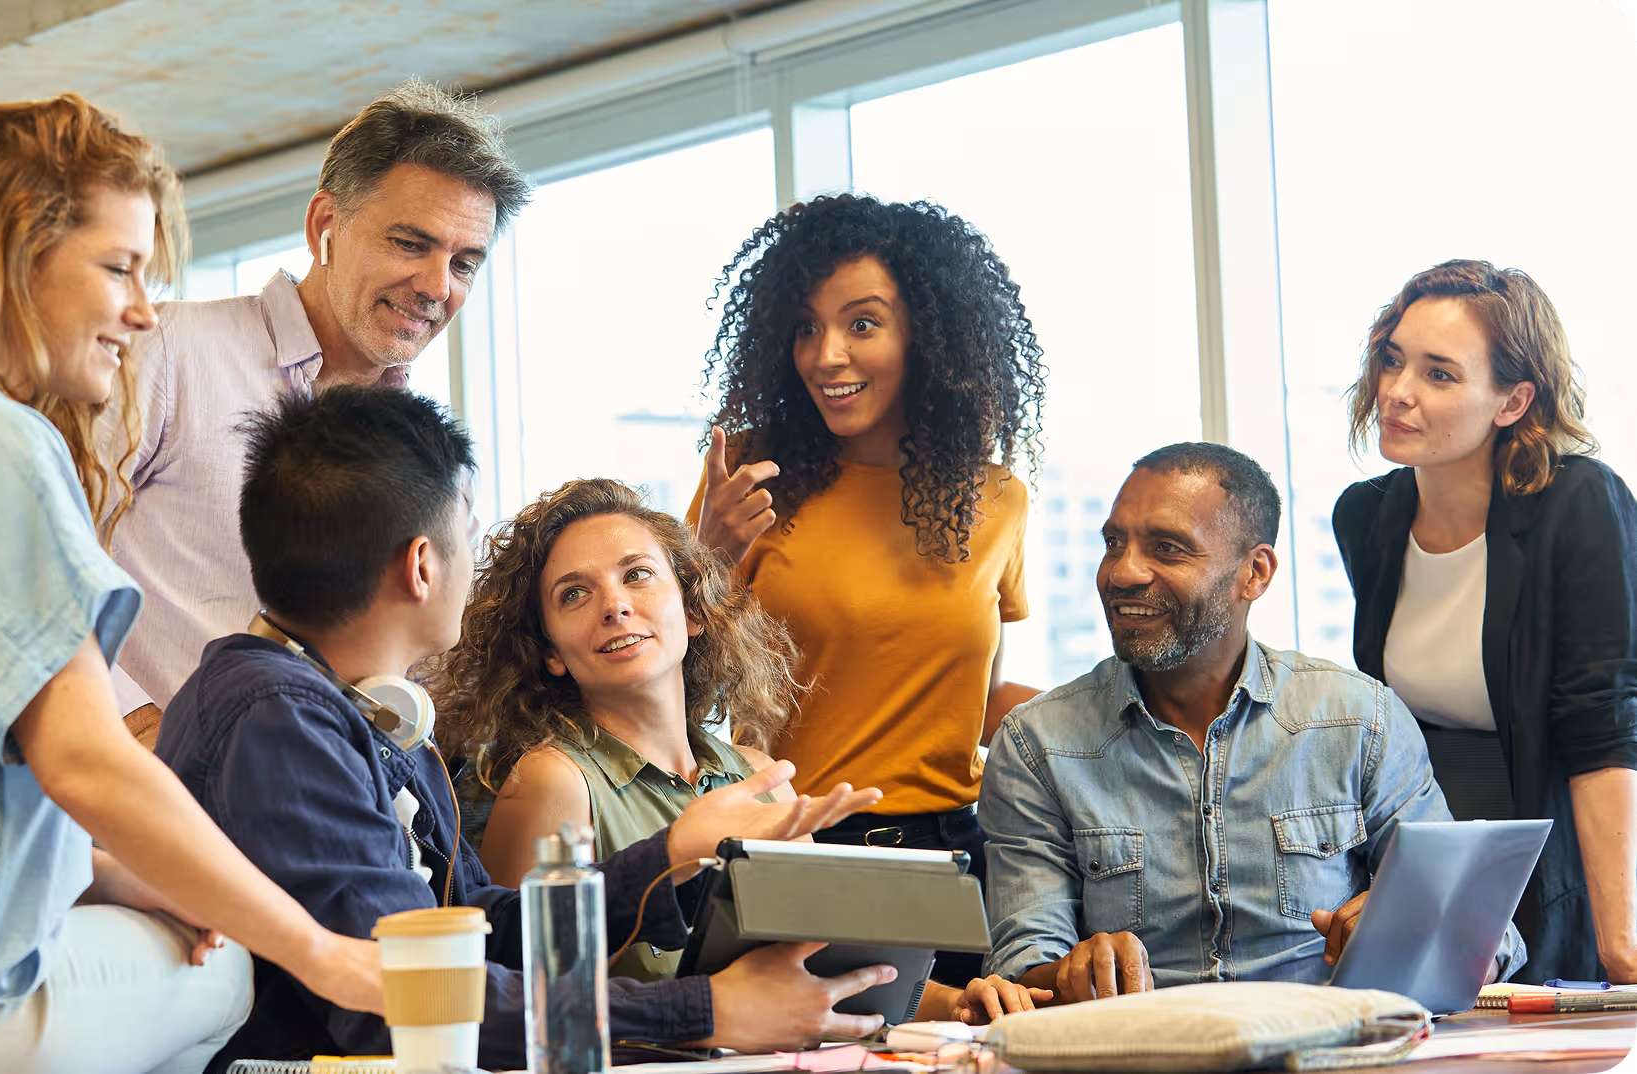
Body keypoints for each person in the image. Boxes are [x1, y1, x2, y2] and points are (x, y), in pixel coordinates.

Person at [155, 389, 909, 1071]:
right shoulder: (280, 720)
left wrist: (673, 854)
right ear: (423, 565)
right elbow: (401, 1009)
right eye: (467, 523)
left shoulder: (367, 716)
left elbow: (482, 933)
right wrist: (710, 1011)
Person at [0, 96, 381, 1074]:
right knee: (228, 972)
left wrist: (110, 878)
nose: (144, 313)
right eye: (119, 269)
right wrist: (322, 955)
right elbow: (86, 762)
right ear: (12, 256)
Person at [428, 478, 1050, 1023]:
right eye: (574, 594)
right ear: (552, 654)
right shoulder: (550, 781)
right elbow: (525, 999)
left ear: (694, 612)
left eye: (637, 574)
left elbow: (823, 963)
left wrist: (961, 999)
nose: (615, 605)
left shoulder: (756, 774)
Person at [980, 443, 1523, 1003]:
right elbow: (1024, 963)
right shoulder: (1036, 744)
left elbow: (1488, 931)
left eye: (1167, 548)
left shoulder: (1359, 719)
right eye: (1113, 543)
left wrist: (1415, 931)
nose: (1123, 572)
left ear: (1254, 573)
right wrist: (1072, 970)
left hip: (1329, 1055)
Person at [97, 77, 530, 747]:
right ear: (325, 226)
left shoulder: (436, 464)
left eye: (465, 263)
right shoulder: (163, 353)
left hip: (333, 811)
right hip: (154, 800)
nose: (438, 287)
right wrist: (131, 725)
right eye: (411, 244)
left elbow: (441, 662)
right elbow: (31, 553)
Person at [687, 194, 1045, 984]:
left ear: (926, 334)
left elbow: (977, 699)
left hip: (954, 859)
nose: (826, 355)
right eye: (807, 326)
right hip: (800, 848)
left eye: (862, 323)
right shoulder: (750, 478)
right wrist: (704, 558)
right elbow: (673, 691)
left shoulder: (996, 500)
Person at [1331, 260, 1637, 984]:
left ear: (1512, 401)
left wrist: (1620, 940)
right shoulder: (1366, 517)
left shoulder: (1580, 503)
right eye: (1393, 360)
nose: (1397, 393)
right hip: (1422, 858)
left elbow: (1603, 724)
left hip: (1551, 849)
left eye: (1440, 374)